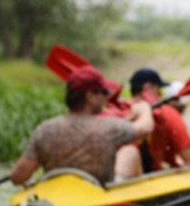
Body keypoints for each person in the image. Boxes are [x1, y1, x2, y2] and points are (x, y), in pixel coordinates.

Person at [10, 65, 154, 186]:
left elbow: (18, 178)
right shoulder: (110, 128)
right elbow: (146, 128)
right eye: (103, 93)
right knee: (130, 152)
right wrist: (144, 108)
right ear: (90, 96)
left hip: (56, 201)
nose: (106, 98)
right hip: (97, 199)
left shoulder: (44, 131)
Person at [124, 68, 190, 176]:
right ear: (148, 88)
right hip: (151, 181)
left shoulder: (120, 110)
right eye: (159, 89)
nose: (160, 94)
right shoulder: (167, 113)